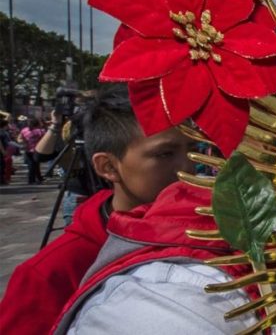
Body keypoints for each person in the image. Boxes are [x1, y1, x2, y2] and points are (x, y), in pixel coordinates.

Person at [0, 84, 200, 334]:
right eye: (164, 154)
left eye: (193, 150)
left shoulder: (214, 233)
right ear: (108, 167)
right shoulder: (52, 272)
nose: (188, 169)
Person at [18, 116, 45, 184]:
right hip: (34, 150)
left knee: (34, 165)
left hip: (32, 150)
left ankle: (38, 178)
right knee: (33, 165)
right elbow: (44, 140)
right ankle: (32, 180)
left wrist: (22, 142)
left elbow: (19, 139)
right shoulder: (40, 131)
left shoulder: (26, 130)